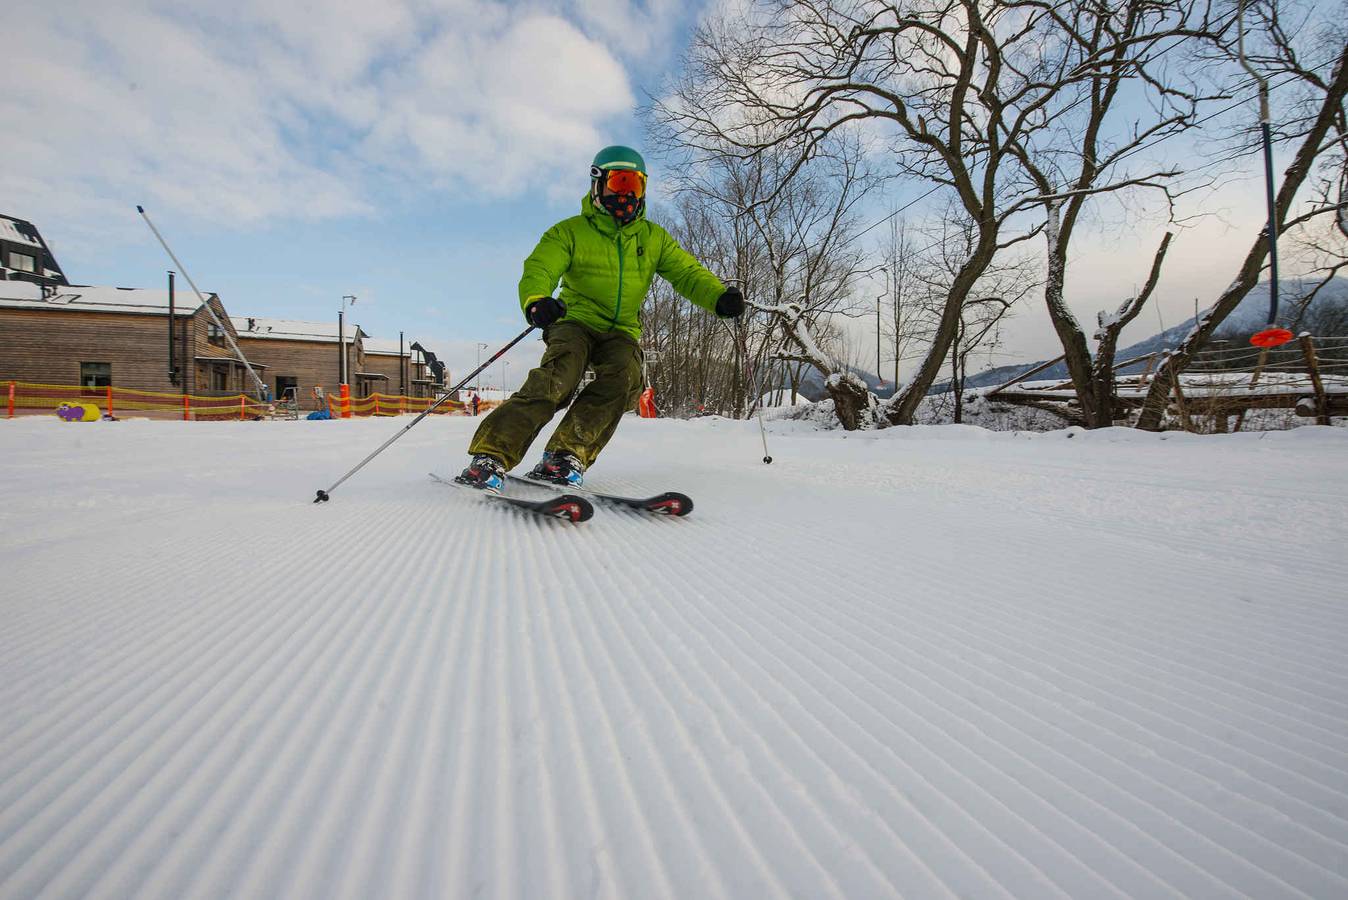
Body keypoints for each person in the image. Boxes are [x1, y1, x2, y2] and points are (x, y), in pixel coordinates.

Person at [457, 145, 744, 492]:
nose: (627, 194)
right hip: (574, 321)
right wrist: (537, 301)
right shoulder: (570, 232)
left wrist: (718, 297)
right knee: (559, 377)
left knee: (625, 378)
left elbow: (687, 273)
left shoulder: (653, 238)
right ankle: (490, 456)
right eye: (619, 182)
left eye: (635, 185)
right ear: (598, 184)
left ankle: (564, 456)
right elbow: (540, 267)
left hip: (620, 330)